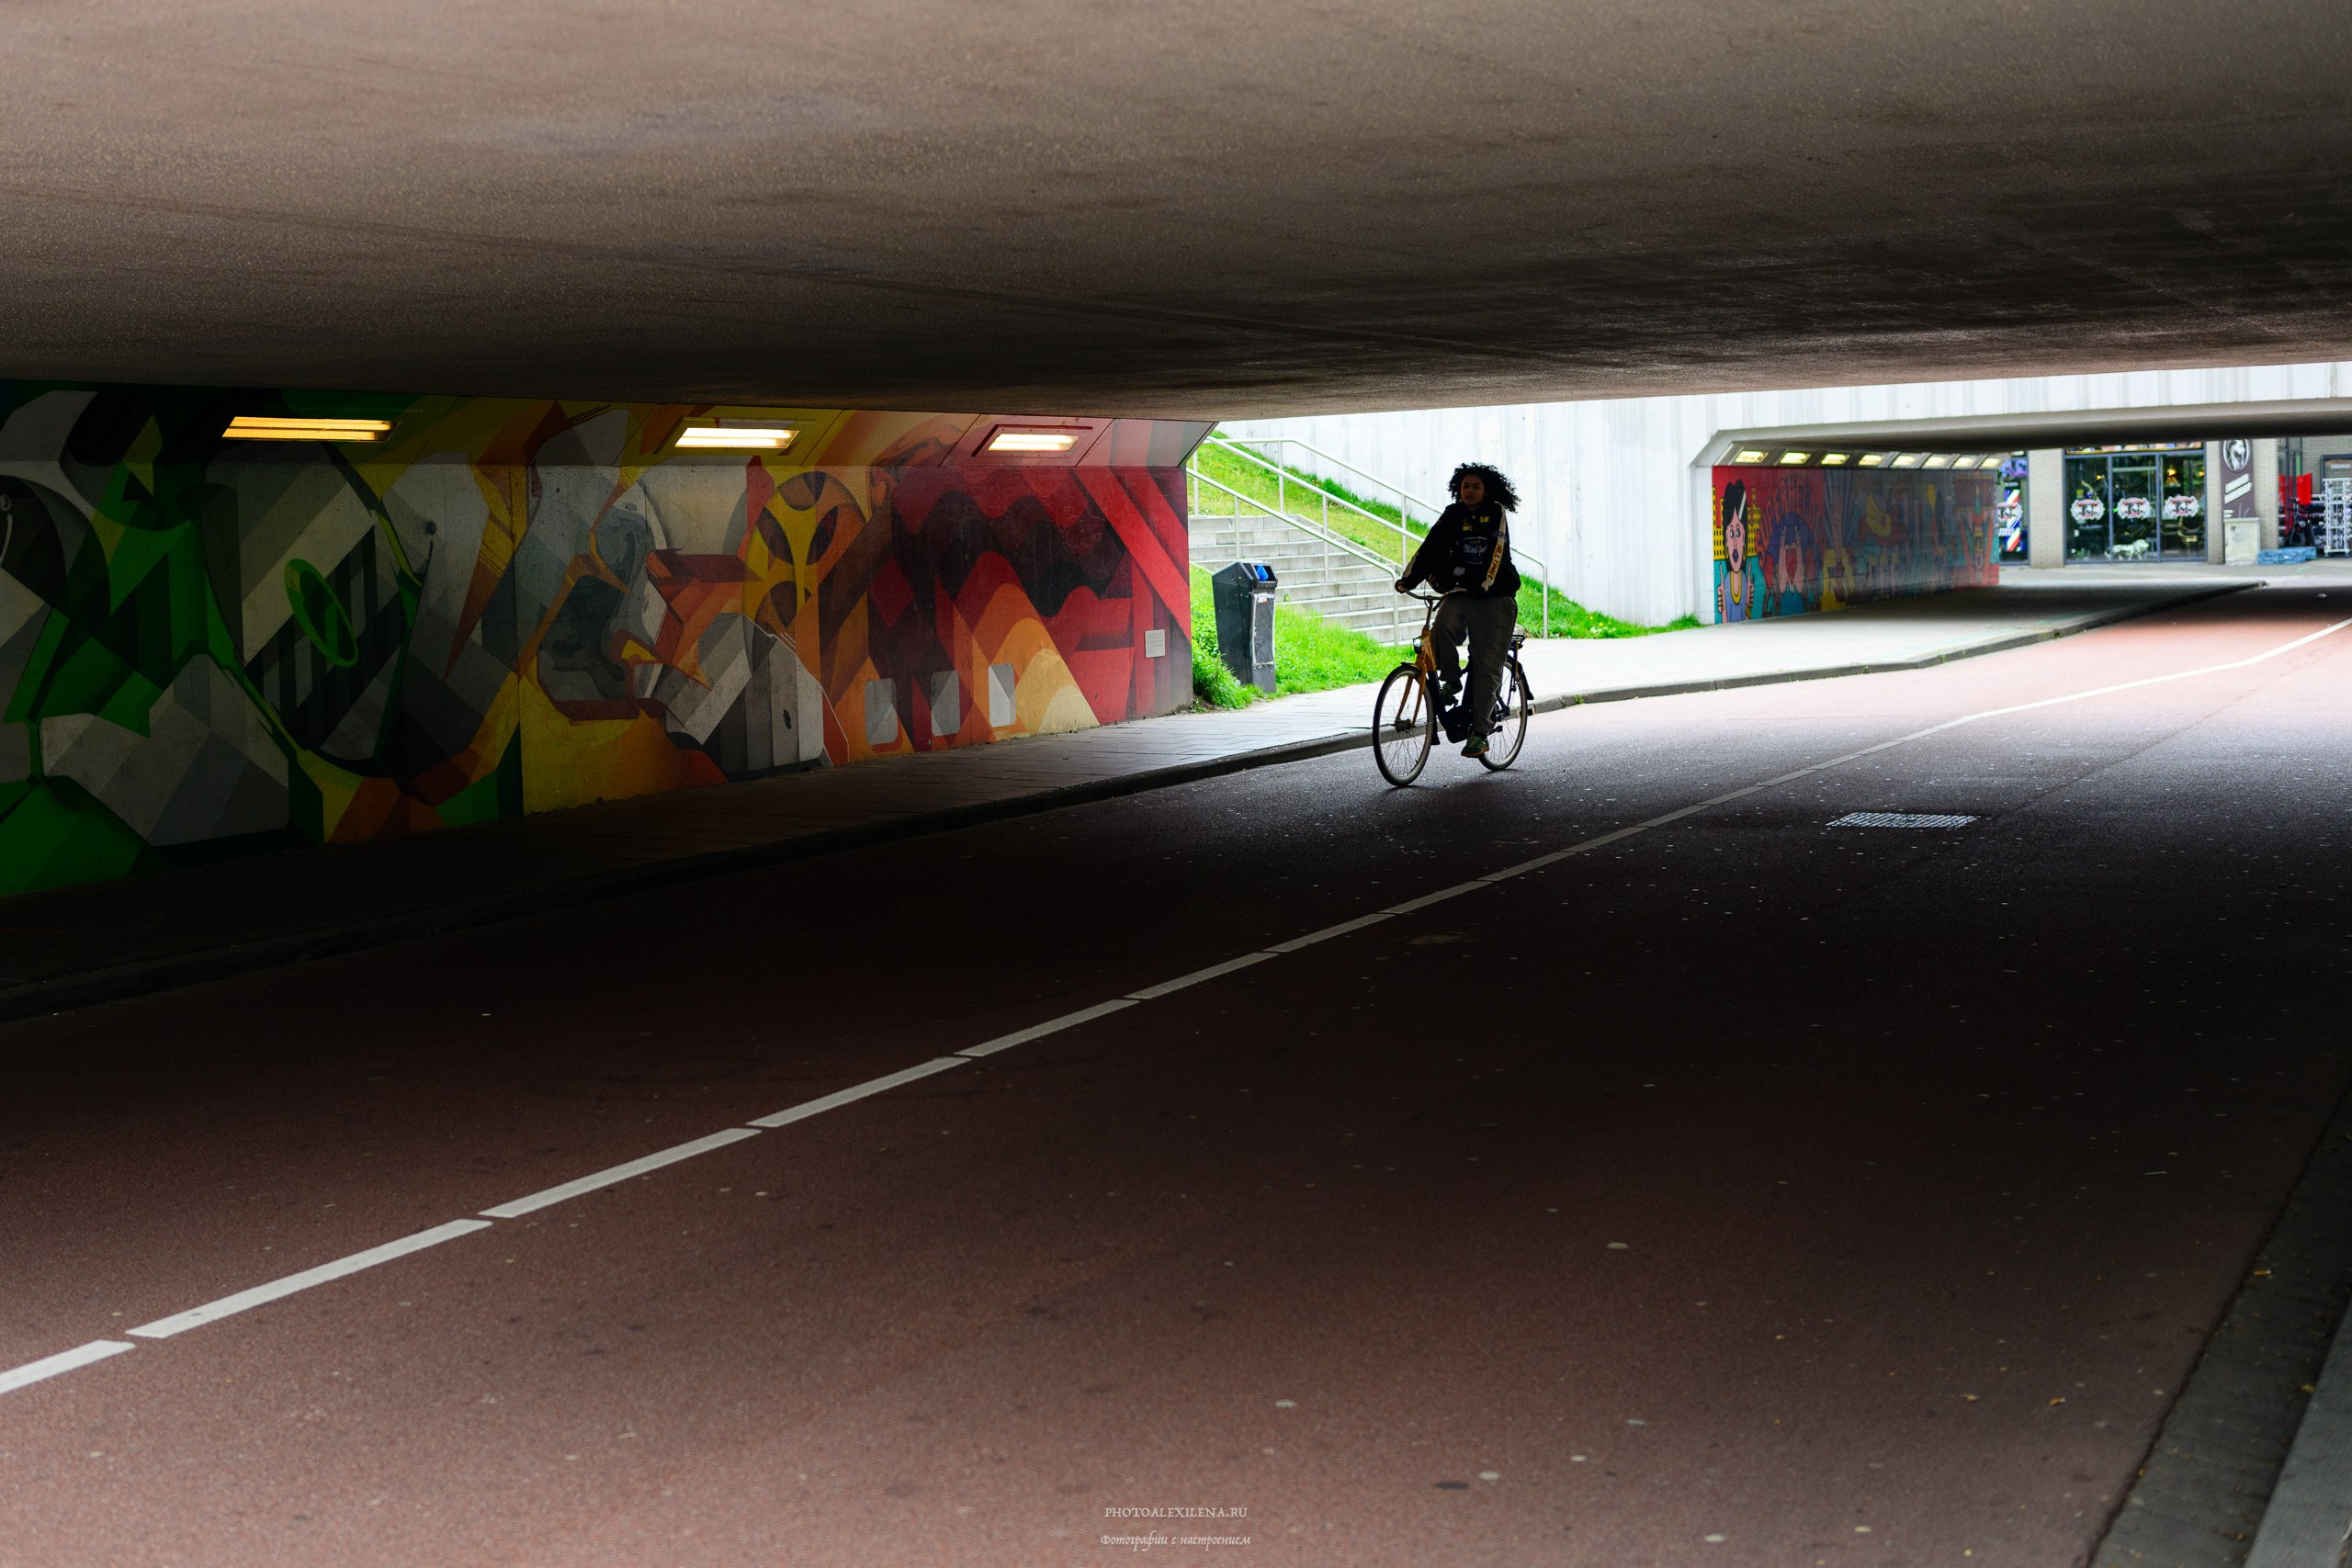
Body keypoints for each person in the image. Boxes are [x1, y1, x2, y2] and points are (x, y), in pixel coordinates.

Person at [1395, 463, 1521, 757]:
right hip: (1462, 592)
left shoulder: (1496, 512)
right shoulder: (1453, 514)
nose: (1470, 491)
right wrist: (1408, 579)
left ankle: (1481, 733)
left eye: (1476, 486)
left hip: (1495, 596)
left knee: (1487, 665)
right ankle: (1451, 680)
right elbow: (1431, 546)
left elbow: (1497, 550)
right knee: (1440, 630)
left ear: (1486, 490)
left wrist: (1484, 584)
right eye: (1466, 486)